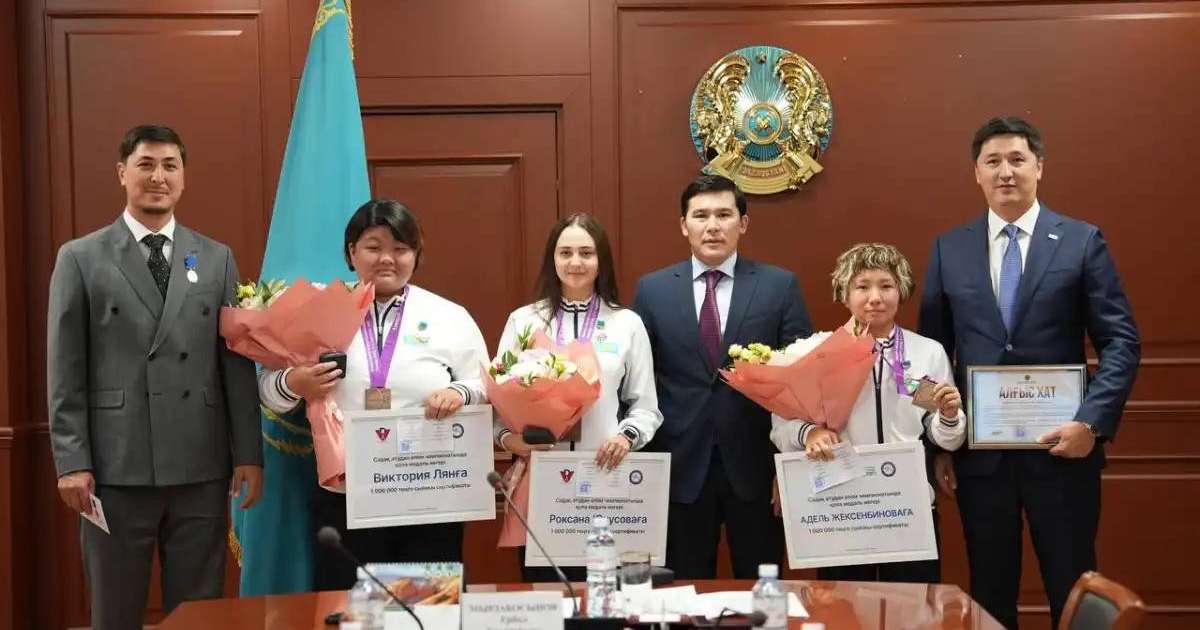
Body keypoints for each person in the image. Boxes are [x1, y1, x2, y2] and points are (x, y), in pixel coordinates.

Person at [919, 116, 1140, 629]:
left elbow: (1121, 341)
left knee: (1072, 588)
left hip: (1063, 453)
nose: (1006, 172)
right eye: (993, 161)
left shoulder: (1082, 241)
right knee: (990, 593)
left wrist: (1091, 424)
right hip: (981, 460)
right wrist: (938, 445)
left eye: (1017, 159)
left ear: (1039, 167)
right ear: (976, 172)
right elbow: (932, 355)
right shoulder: (949, 249)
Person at [47, 124, 263, 630]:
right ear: (122, 173)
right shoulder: (81, 258)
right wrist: (71, 461)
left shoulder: (215, 258)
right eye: (146, 164)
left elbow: (234, 363)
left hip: (201, 464)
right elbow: (64, 368)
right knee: (115, 611)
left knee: (199, 613)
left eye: (170, 165)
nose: (158, 177)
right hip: (116, 466)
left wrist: (248, 454)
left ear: (184, 177)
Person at [258, 198, 489, 590]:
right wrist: (295, 383)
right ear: (352, 252)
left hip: (430, 490)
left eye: (400, 248)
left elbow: (485, 384)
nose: (387, 258)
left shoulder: (448, 316)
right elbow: (268, 390)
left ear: (416, 255)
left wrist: (459, 393)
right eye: (373, 246)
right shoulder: (318, 309)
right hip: (346, 492)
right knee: (347, 606)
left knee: (427, 608)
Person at [632, 174, 812, 579]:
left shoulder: (779, 286)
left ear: (743, 223)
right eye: (700, 216)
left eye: (724, 215)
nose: (712, 225)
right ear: (684, 225)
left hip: (757, 467)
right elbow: (638, 382)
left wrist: (791, 465)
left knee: (763, 592)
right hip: (679, 470)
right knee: (684, 593)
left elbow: (800, 382)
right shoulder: (652, 290)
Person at [770, 242, 965, 583]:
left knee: (912, 603)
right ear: (844, 294)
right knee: (843, 604)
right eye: (862, 287)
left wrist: (948, 416)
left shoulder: (926, 353)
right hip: (840, 504)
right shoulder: (817, 352)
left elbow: (941, 434)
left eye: (886, 285)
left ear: (902, 291)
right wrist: (810, 433)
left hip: (907, 504)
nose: (875, 297)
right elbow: (783, 425)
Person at [494, 213, 663, 581]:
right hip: (542, 479)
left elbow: (646, 407)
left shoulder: (626, 323)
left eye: (586, 253)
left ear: (601, 260)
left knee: (605, 593)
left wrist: (626, 437)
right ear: (552, 259)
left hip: (606, 476)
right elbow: (497, 404)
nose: (575, 262)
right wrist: (510, 441)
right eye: (565, 252)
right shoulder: (524, 321)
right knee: (547, 592)